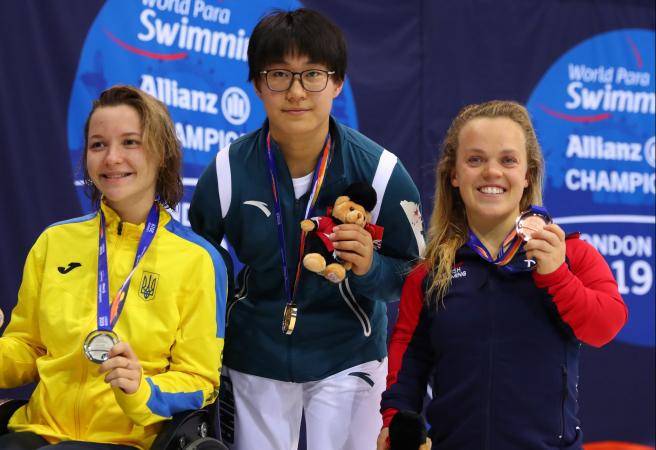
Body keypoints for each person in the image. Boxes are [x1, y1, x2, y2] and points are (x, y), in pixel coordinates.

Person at [0, 85, 227, 450]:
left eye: (131, 142)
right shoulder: (55, 242)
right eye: (98, 144)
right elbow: (28, 351)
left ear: (163, 153)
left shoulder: (196, 259)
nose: (112, 158)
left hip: (131, 440)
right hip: (42, 430)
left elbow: (200, 380)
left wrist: (141, 388)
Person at [189, 8, 424, 450]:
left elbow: (415, 276)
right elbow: (195, 258)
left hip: (349, 356)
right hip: (254, 358)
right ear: (258, 84)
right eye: (279, 74)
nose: (296, 91)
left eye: (312, 74)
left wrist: (371, 268)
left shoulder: (381, 172)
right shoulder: (227, 170)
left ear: (337, 83)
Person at [377, 100, 628, 450]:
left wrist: (557, 275)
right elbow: (410, 358)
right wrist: (394, 419)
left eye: (508, 160)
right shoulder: (431, 274)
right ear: (454, 174)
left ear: (528, 175)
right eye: (475, 159)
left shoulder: (571, 255)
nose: (492, 172)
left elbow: (606, 326)